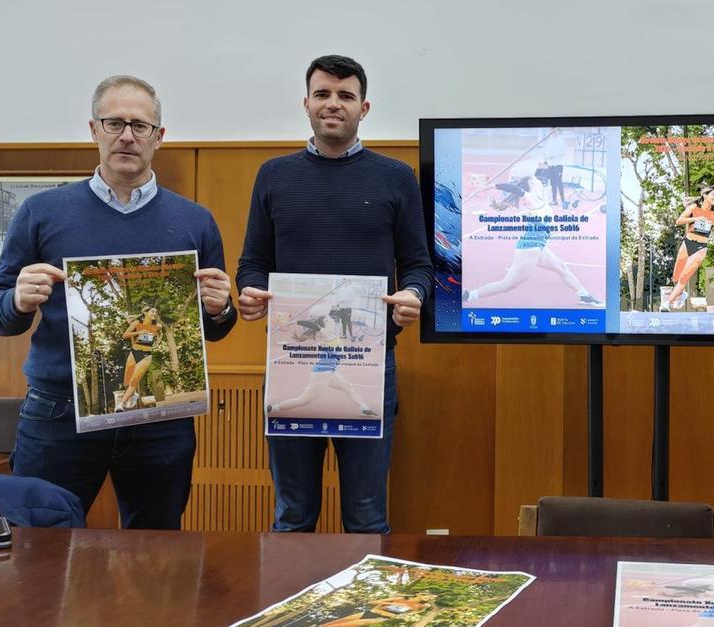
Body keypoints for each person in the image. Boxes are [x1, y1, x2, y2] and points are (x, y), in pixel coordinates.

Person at [0, 75, 237, 529]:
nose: (126, 135)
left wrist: (220, 309)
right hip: (60, 412)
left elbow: (213, 328)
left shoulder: (195, 221)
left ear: (159, 137)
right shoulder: (42, 213)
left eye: (140, 126)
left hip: (160, 415)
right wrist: (18, 300)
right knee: (37, 549)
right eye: (114, 122)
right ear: (93, 130)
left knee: (158, 558)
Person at [237, 55, 432, 533]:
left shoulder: (396, 177)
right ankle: (288, 609)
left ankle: (367, 610)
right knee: (292, 515)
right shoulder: (273, 175)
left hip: (368, 362)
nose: (333, 104)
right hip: (292, 362)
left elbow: (418, 266)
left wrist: (413, 295)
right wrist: (249, 293)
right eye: (323, 94)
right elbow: (253, 263)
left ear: (363, 108)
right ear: (306, 103)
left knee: (366, 517)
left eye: (345, 96)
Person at [462, 174, 602, 307]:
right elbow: (515, 188)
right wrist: (491, 186)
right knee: (507, 284)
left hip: (538, 245)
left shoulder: (539, 198)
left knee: (561, 267)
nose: (541, 182)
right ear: (532, 182)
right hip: (530, 247)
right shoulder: (531, 198)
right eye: (537, 179)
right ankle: (469, 295)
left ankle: (584, 295)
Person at [662, 186, 714, 312]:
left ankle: (667, 303)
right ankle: (681, 294)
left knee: (684, 277)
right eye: (713, 195)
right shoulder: (694, 208)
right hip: (687, 243)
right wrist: (695, 219)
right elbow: (679, 221)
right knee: (676, 276)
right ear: (705, 195)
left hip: (701, 247)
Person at [119, 306, 161, 411]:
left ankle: (120, 405)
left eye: (156, 312)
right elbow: (125, 335)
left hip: (146, 356)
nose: (155, 313)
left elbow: (157, 331)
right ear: (146, 313)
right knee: (127, 381)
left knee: (133, 382)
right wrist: (138, 332)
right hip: (134, 353)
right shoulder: (137, 323)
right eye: (152, 311)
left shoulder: (157, 326)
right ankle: (133, 396)